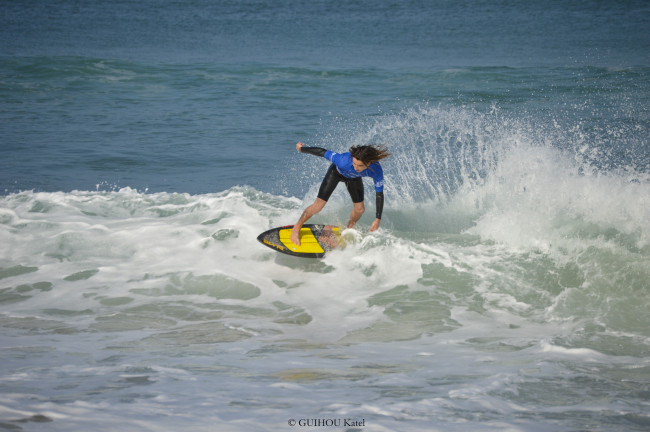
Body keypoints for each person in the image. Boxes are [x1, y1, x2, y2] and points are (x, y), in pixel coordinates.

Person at [290, 142, 390, 246]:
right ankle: (296, 228)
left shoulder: (376, 170)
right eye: (354, 163)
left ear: (368, 163)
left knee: (360, 209)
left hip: (353, 179)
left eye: (359, 166)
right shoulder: (343, 161)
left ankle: (349, 228)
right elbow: (322, 152)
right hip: (336, 174)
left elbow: (379, 194)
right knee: (318, 206)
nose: (355, 167)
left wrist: (377, 219)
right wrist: (301, 149)